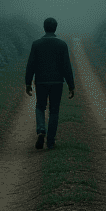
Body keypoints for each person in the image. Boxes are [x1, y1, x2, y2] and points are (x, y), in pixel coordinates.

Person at [24, 17, 75, 150]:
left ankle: (41, 129)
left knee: (40, 107)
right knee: (54, 110)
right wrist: (71, 85)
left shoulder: (36, 44)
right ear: (55, 28)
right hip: (57, 82)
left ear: (44, 27)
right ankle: (51, 141)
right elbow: (66, 67)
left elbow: (31, 65)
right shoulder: (62, 45)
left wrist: (28, 82)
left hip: (41, 81)